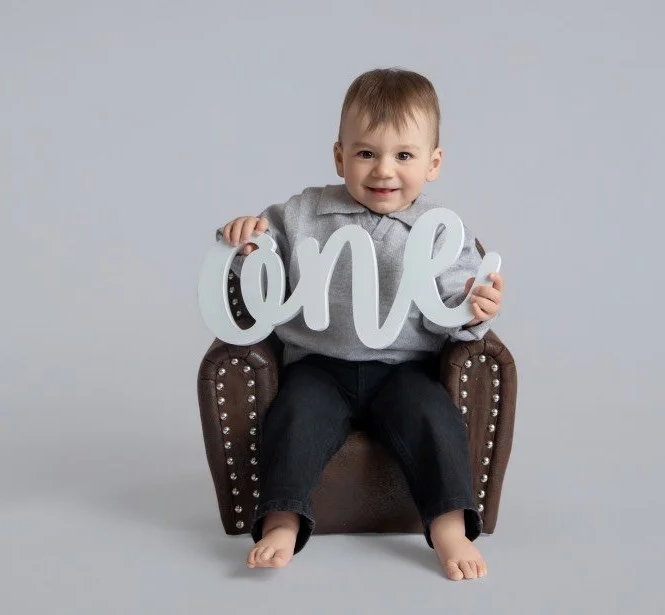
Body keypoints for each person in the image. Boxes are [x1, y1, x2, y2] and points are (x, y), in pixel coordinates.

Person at [215, 67, 505, 581]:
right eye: (367, 153)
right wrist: (246, 243)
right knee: (295, 417)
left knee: (434, 418)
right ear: (339, 157)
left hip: (403, 368)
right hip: (318, 366)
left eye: (405, 156)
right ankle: (282, 519)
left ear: (433, 163)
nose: (383, 171)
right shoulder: (303, 213)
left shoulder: (443, 232)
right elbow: (265, 267)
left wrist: (474, 308)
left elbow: (457, 304)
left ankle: (449, 526)